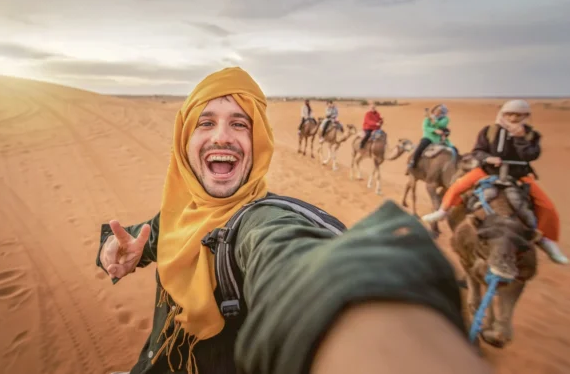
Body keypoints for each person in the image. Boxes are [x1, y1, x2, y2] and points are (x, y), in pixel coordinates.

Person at [96, 67, 491, 374]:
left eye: (240, 123)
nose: (222, 137)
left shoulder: (259, 223)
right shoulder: (178, 214)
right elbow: (146, 236)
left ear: (259, 142)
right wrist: (116, 248)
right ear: (184, 140)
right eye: (206, 122)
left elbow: (291, 258)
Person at [421, 99, 568, 265]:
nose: (513, 118)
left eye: (519, 115)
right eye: (509, 114)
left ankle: (547, 241)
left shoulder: (531, 135)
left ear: (526, 116)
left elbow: (531, 155)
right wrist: (488, 158)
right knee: (457, 187)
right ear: (503, 114)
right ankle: (442, 211)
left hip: (518, 175)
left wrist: (520, 138)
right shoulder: (489, 131)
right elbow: (478, 151)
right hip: (487, 171)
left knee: (547, 206)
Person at [408, 104, 455, 170]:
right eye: (436, 110)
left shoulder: (445, 119)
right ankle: (413, 162)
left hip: (439, 138)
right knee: (421, 147)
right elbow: (425, 127)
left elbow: (440, 125)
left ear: (443, 112)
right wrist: (434, 130)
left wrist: (431, 118)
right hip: (428, 137)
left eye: (439, 111)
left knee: (453, 149)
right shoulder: (428, 118)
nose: (437, 111)